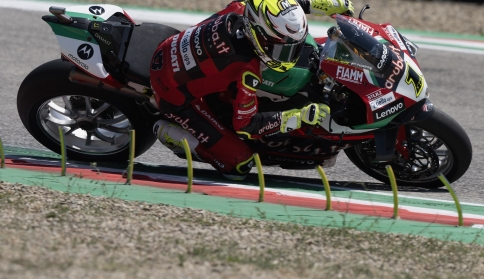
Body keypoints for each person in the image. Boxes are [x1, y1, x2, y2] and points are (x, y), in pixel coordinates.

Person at [149, 0, 354, 180]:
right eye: (279, 49)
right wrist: (298, 116)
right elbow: (246, 125)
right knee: (238, 165)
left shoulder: (247, 8)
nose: (287, 56)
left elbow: (285, 6)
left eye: (293, 48)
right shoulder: (247, 70)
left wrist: (331, 4)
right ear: (257, 35)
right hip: (172, 95)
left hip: (174, 49)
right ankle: (168, 131)